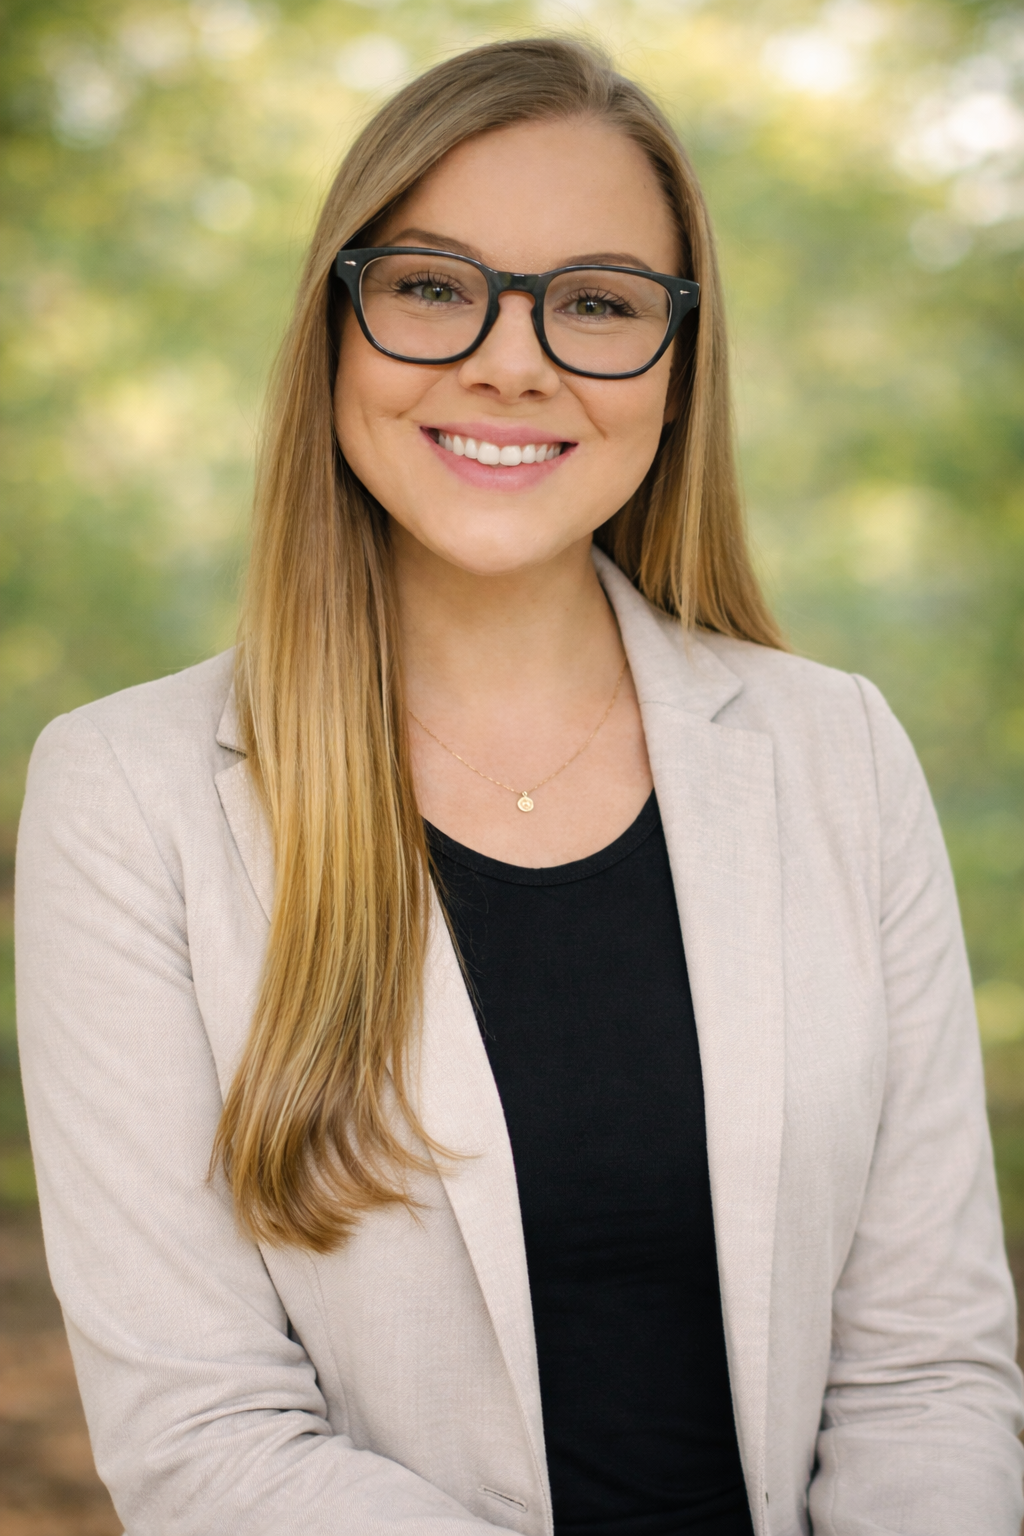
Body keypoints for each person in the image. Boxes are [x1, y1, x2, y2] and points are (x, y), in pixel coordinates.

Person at [14, 36, 1024, 1536]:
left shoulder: (838, 753)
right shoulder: (124, 797)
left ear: (678, 373)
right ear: (336, 328)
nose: (513, 356)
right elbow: (206, 1437)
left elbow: (926, 1372)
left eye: (600, 303)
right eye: (431, 283)